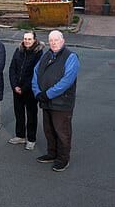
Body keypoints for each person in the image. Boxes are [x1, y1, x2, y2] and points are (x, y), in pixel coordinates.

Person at [32, 30, 80, 172]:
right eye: (51, 40)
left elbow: (66, 81)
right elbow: (35, 74)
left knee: (62, 132)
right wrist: (37, 92)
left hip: (61, 103)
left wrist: (47, 94)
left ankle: (63, 159)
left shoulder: (71, 57)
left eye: (56, 40)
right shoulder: (46, 55)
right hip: (46, 100)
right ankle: (52, 154)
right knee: (49, 130)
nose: (53, 43)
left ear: (63, 41)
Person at [8, 31, 45, 151]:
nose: (27, 41)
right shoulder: (18, 50)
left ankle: (31, 139)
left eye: (29, 39)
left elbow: (36, 73)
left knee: (31, 115)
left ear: (34, 40)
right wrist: (14, 86)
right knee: (18, 113)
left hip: (30, 90)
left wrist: (23, 88)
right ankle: (20, 136)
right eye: (25, 39)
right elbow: (12, 68)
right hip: (17, 89)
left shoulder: (38, 53)